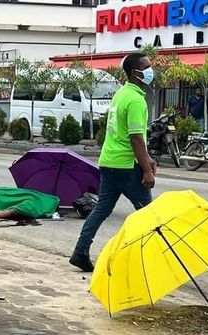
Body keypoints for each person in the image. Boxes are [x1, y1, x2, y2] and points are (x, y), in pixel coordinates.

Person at [69, 52, 156, 272]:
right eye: (146, 67)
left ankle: (80, 251)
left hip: (109, 162)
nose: (150, 70)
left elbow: (124, 133)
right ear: (136, 72)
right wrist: (146, 170)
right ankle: (148, 261)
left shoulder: (121, 94)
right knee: (149, 214)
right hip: (126, 166)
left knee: (100, 210)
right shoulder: (136, 100)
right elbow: (135, 137)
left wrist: (148, 158)